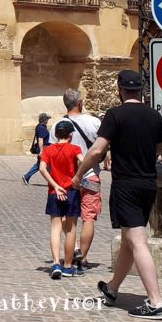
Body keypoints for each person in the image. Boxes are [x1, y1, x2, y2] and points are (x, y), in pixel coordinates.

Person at [72, 69, 162, 320]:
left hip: (126, 184)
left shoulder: (115, 115)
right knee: (128, 238)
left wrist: (78, 174)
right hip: (149, 184)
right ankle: (112, 289)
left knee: (137, 241)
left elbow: (97, 150)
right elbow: (160, 149)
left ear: (120, 90)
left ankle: (156, 302)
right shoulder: (154, 115)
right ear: (141, 90)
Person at [60, 88, 102, 272]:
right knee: (89, 217)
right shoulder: (94, 122)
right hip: (90, 175)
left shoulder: (58, 125)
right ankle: (82, 258)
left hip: (68, 177)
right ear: (80, 103)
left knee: (65, 215)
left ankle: (75, 246)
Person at [40, 120, 84, 279]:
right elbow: (82, 160)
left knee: (55, 229)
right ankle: (67, 266)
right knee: (71, 230)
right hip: (71, 191)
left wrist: (54, 185)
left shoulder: (49, 150)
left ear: (56, 135)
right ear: (70, 135)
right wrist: (78, 177)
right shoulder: (74, 149)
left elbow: (42, 168)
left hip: (54, 193)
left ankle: (56, 263)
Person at [22, 113, 52, 185]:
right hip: (45, 149)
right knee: (47, 165)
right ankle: (52, 181)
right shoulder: (41, 128)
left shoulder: (40, 126)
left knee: (39, 164)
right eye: (47, 119)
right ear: (44, 119)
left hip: (45, 148)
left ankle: (27, 176)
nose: (48, 120)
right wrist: (41, 151)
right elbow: (41, 139)